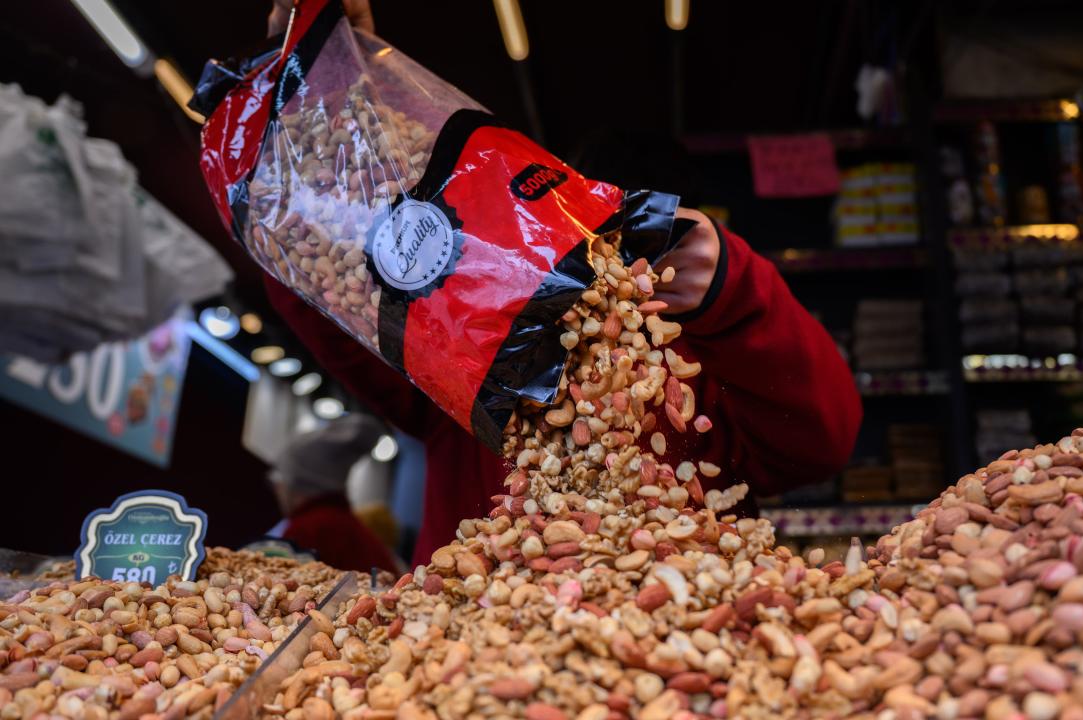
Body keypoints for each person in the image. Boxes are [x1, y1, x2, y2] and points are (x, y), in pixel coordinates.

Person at [260, 0, 863, 567]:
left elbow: (823, 441)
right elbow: (332, 291)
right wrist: (323, 87)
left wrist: (732, 283)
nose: (598, 269)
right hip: (471, 633)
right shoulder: (465, 340)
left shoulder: (708, 364)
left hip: (667, 626)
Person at [266, 413, 400, 572]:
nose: (277, 490)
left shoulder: (307, 529)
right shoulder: (343, 523)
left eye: (279, 480)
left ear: (297, 483)